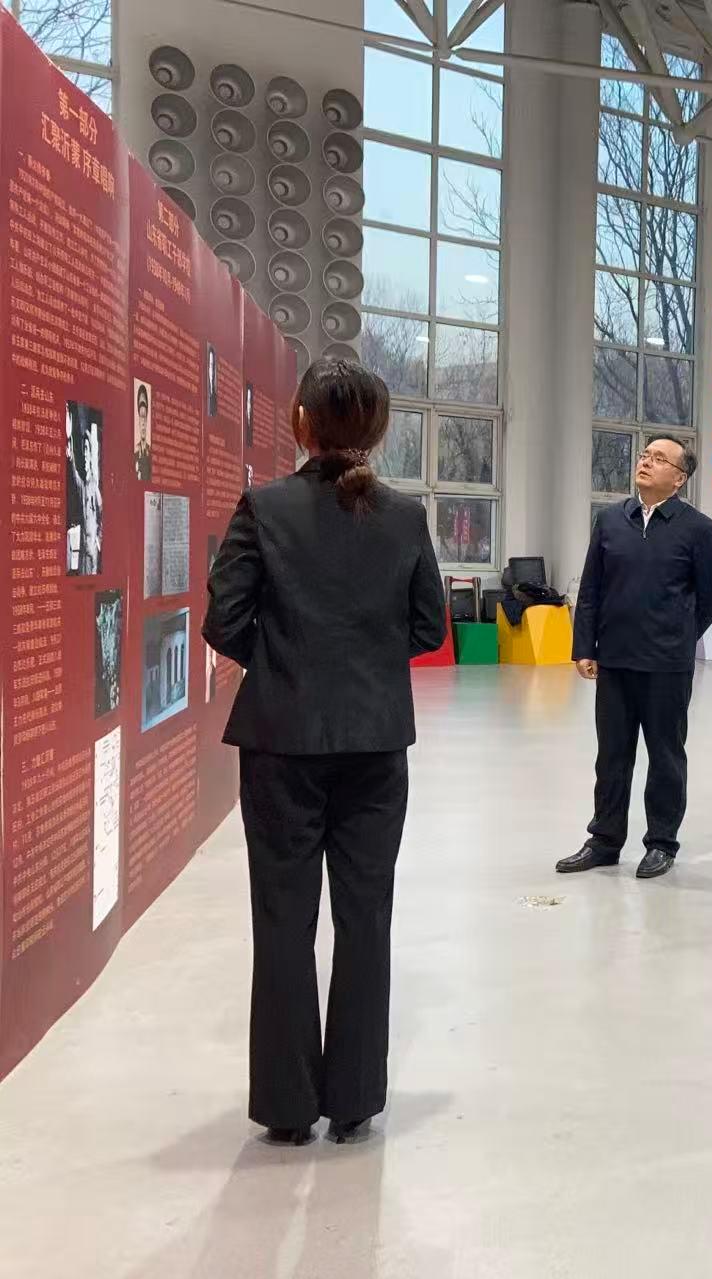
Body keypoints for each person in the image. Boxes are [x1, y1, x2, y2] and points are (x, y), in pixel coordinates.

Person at [204, 357, 446, 1147]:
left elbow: (223, 620)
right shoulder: (405, 516)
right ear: (375, 430)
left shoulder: (264, 507)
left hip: (281, 741)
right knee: (365, 916)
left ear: (302, 422)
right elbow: (429, 625)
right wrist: (365, 664)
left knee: (282, 918)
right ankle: (354, 1100)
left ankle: (285, 1105)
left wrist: (285, 664)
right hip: (375, 742)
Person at [558, 435, 712, 882]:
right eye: (645, 455)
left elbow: (711, 595)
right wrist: (584, 646)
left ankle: (661, 843)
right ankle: (605, 840)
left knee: (666, 756)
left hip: (666, 665)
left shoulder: (696, 527)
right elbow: (591, 588)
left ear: (679, 478)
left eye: (659, 458)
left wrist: (680, 637)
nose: (646, 462)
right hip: (614, 660)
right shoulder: (611, 520)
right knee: (611, 756)